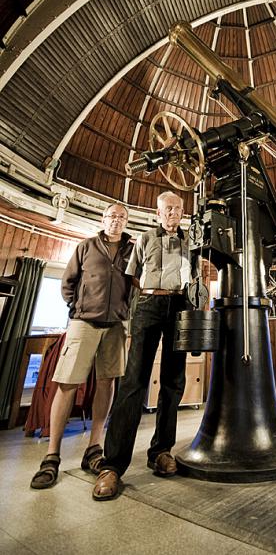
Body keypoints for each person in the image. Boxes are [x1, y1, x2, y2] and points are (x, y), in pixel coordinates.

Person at [92, 190, 190, 501]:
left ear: (182, 211)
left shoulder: (193, 241)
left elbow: (198, 277)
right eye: (167, 209)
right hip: (148, 305)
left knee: (173, 382)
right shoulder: (145, 239)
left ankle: (161, 451)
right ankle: (113, 466)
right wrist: (148, 299)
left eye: (177, 208)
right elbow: (132, 276)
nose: (172, 213)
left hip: (181, 307)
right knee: (133, 382)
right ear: (158, 213)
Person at [30, 203, 133, 489]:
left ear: (126, 221)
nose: (116, 220)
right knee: (67, 383)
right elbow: (68, 283)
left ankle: (94, 450)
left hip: (115, 326)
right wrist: (77, 308)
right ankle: (52, 457)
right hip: (83, 322)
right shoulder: (86, 246)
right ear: (103, 219)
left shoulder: (131, 250)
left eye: (121, 217)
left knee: (107, 383)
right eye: (112, 216)